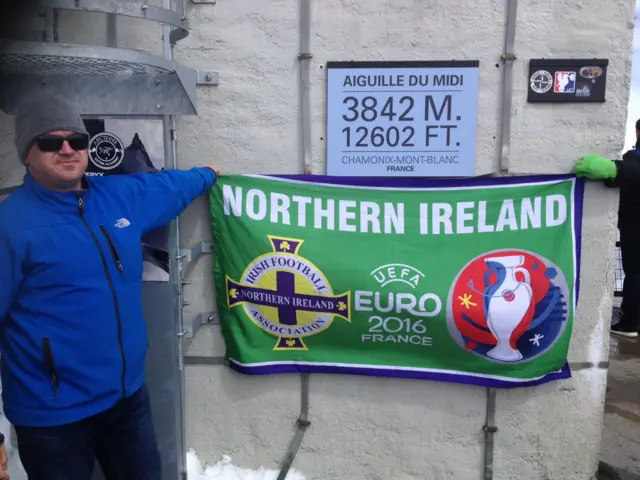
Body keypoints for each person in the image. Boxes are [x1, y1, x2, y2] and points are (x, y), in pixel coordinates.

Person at [0, 92, 219, 479]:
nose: (67, 149)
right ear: (26, 153)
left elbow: (169, 187)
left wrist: (207, 175)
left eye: (77, 140)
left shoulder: (118, 198)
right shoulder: (10, 225)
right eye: (51, 142)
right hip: (52, 418)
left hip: (127, 400)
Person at [574, 138, 640, 338]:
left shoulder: (634, 157)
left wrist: (614, 170)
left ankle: (629, 323)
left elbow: (633, 172)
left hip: (635, 225)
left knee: (636, 273)